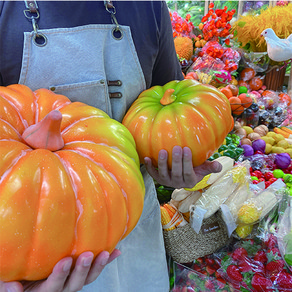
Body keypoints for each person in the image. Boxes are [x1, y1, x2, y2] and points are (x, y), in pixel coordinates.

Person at [0, 1, 222, 291]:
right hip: (33, 244)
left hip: (133, 225)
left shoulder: (149, 6)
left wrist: (170, 164)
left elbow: (171, 105)